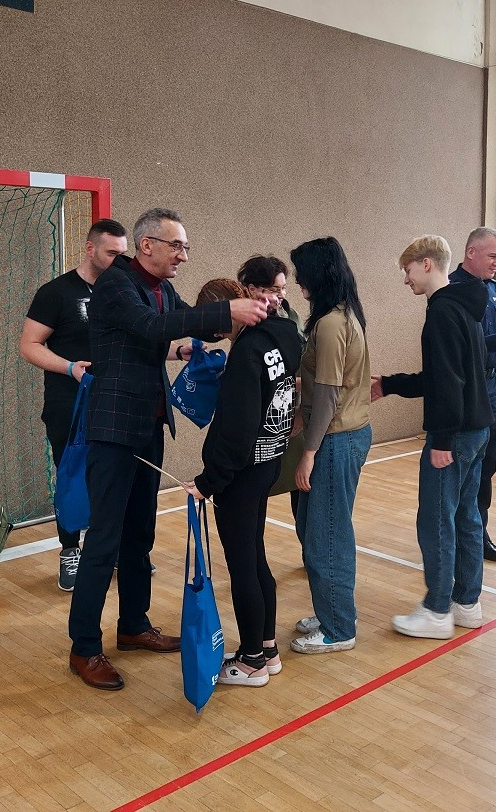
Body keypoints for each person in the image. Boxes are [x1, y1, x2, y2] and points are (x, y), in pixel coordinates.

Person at [67, 208, 269, 690]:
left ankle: (133, 625)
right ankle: (84, 647)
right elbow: (151, 326)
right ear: (147, 246)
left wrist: (220, 329)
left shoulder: (160, 287)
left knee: (140, 535)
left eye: (185, 248)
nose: (183, 256)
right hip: (114, 432)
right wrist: (226, 312)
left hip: (146, 428)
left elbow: (177, 326)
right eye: (177, 246)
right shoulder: (116, 284)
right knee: (105, 541)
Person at [371, 235, 493, 639]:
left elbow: (449, 382)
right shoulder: (464, 306)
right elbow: (442, 376)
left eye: (407, 270)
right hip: (477, 429)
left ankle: (437, 610)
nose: (406, 279)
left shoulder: (442, 311)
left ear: (426, 264)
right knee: (466, 516)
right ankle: (466, 603)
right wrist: (390, 384)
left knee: (437, 520)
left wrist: (441, 440)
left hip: (454, 436)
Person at [184, 278, 302, 687]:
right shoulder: (279, 335)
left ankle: (251, 661)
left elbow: (236, 432)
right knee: (254, 557)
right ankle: (266, 648)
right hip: (267, 462)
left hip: (241, 473)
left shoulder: (247, 353)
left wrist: (208, 482)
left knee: (242, 566)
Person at [19, 219, 128, 591]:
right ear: (90, 248)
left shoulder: (123, 292)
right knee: (71, 476)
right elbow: (29, 346)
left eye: (122, 254)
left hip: (114, 404)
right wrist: (69, 368)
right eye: (111, 253)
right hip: (69, 404)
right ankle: (70, 550)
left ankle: (108, 548)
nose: (118, 261)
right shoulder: (56, 292)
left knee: (110, 477)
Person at [288, 237, 372, 654]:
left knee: (328, 537)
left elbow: (327, 394)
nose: (298, 282)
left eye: (301, 274)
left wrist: (308, 452)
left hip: (336, 440)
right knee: (314, 528)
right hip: (338, 435)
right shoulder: (339, 315)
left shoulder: (333, 324)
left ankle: (339, 628)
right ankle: (332, 611)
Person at [447, 227, 496, 563]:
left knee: (485, 470)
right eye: (492, 255)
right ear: (471, 252)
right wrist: (495, 343)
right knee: (459, 470)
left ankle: (478, 535)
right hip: (464, 390)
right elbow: (457, 345)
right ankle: (450, 537)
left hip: (491, 390)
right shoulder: (449, 290)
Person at [237, 255, 305, 510]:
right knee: (255, 499)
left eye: (283, 288)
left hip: (288, 416)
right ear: (252, 289)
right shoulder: (243, 320)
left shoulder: (289, 316)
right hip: (258, 425)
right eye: (274, 290)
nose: (280, 296)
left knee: (299, 492)